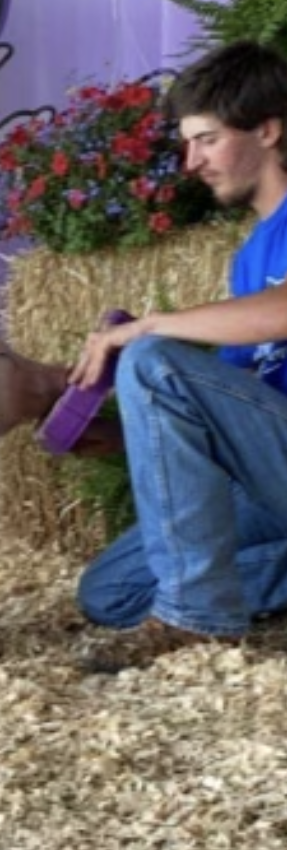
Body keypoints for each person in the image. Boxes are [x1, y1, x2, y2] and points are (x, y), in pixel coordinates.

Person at [72, 40, 287, 667]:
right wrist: (123, 432)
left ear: (269, 130)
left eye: (207, 140)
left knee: (154, 358)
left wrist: (150, 328)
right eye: (186, 143)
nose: (190, 161)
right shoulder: (254, 253)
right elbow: (224, 403)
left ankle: (199, 616)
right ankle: (199, 596)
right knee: (112, 591)